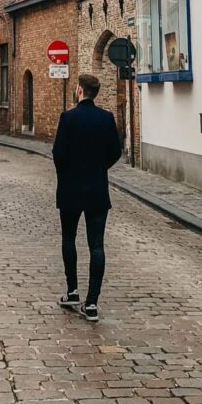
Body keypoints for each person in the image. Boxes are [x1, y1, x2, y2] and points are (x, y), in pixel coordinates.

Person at [52, 73, 121, 323]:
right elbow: (116, 151)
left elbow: (58, 153)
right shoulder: (106, 118)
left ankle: (72, 291)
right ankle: (92, 303)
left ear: (79, 91)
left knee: (68, 238)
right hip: (97, 188)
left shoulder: (68, 118)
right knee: (97, 245)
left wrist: (68, 174)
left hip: (71, 188)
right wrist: (98, 168)